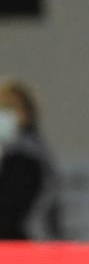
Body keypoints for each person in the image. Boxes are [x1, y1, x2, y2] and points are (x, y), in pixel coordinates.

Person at [0, 77, 61, 240]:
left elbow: (8, 215)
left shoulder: (25, 157)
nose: (2, 114)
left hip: (27, 249)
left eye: (8, 108)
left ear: (26, 114)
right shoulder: (10, 154)